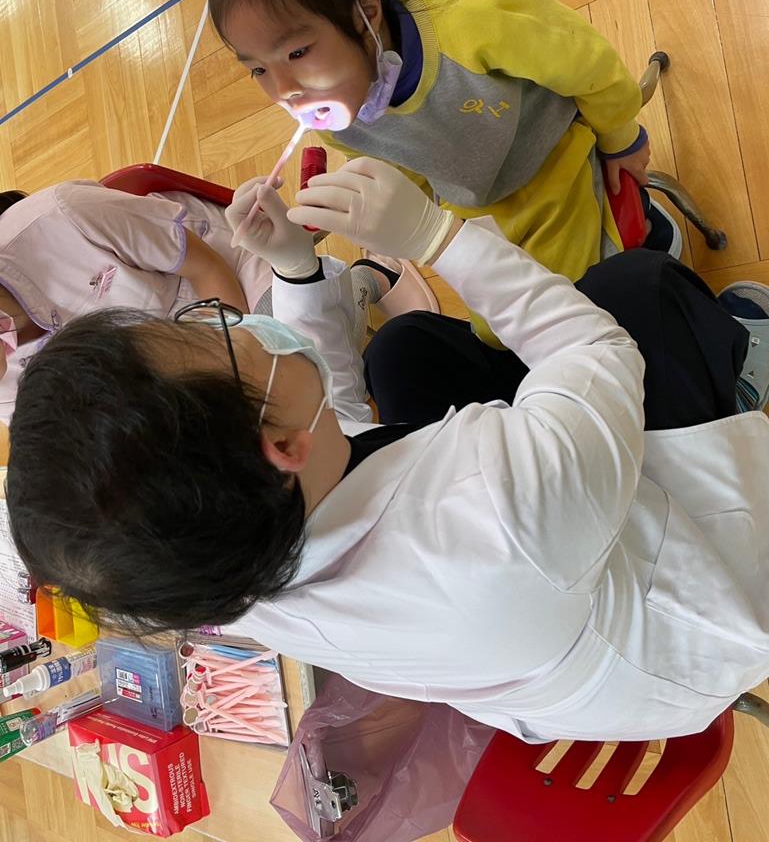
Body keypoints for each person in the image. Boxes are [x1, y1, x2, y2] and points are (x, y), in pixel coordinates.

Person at [8, 160, 769, 744]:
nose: (226, 319)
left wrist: (298, 271)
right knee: (636, 290)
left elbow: (332, 426)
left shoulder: (229, 566)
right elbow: (594, 348)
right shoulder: (498, 512)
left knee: (403, 352)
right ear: (278, 446)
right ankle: (737, 371)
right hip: (696, 603)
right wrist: (438, 237)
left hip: (549, 611)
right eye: (215, 332)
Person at [206, 0, 679, 346]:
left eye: (297, 52)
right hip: (477, 204)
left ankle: (651, 235)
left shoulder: (471, 16)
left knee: (569, 314)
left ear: (365, 11)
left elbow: (589, 64)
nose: (284, 91)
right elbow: (411, 177)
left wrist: (622, 138)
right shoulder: (338, 115)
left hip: (555, 166)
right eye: (258, 70)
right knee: (496, 333)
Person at [0, 180, 428, 423]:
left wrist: (234, 382)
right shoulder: (11, 395)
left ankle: (365, 279)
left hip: (223, 272)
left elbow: (207, 269)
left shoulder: (59, 217)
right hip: (172, 372)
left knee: (306, 382)